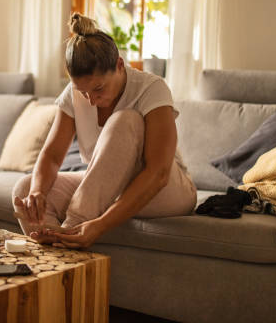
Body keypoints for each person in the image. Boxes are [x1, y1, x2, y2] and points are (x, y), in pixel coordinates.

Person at [12, 13, 197, 249]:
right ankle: (60, 250)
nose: (91, 100)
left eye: (98, 88)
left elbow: (159, 173)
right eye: (83, 91)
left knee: (125, 120)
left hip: (167, 190)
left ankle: (71, 231)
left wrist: (99, 224)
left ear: (120, 65)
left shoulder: (152, 88)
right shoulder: (74, 94)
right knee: (25, 188)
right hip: (105, 186)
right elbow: (51, 156)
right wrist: (38, 191)